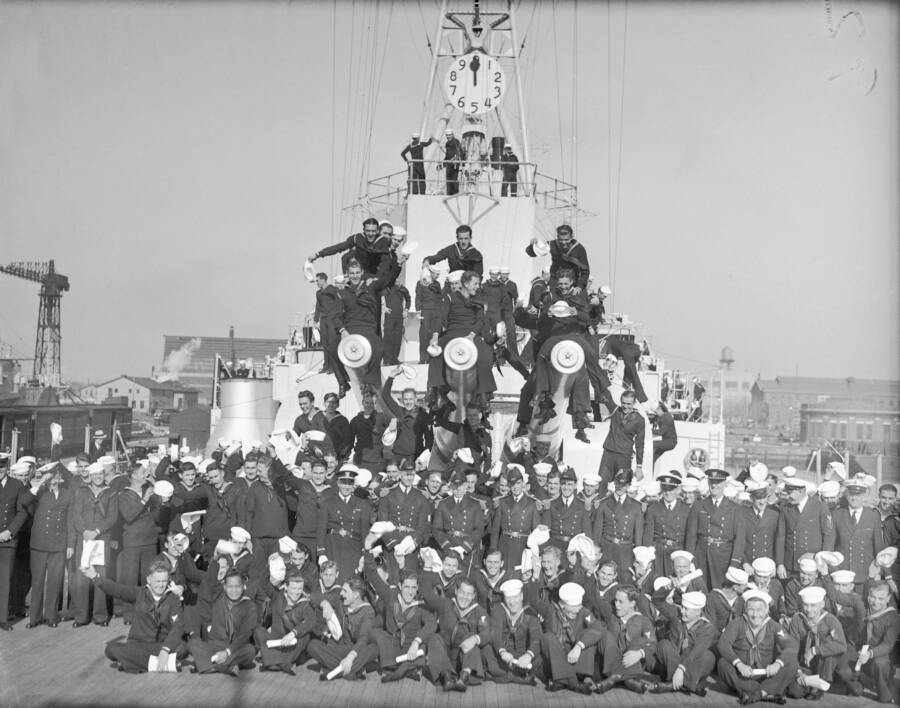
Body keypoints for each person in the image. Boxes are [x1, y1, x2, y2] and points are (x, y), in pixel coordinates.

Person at [81, 560, 186, 673]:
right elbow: (116, 589)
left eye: (164, 581)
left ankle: (131, 664)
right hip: (138, 645)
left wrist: (165, 650)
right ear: (149, 579)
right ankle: (160, 665)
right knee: (111, 650)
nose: (161, 585)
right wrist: (95, 576)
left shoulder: (173, 599)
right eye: (157, 581)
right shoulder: (139, 593)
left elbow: (178, 627)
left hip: (160, 645)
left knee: (183, 647)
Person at [717, 589, 800, 705]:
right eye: (751, 610)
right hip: (743, 675)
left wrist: (777, 664)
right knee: (722, 663)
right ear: (745, 609)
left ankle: (756, 694)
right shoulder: (737, 623)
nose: (755, 615)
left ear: (766, 610)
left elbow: (791, 646)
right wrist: (739, 664)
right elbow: (723, 644)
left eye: (759, 610)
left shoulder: (773, 626)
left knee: (792, 663)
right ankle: (768, 693)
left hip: (767, 675)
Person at [426, 271, 497, 405]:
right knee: (435, 352)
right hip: (452, 333)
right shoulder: (449, 297)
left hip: (471, 334)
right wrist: (435, 336)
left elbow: (481, 320)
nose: (477, 286)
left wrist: (471, 336)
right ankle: (435, 390)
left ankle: (483, 394)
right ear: (465, 284)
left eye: (478, 284)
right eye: (475, 284)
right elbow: (441, 316)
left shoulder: (479, 301)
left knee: (484, 354)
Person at [363, 557, 436, 683]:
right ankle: (406, 668)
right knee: (376, 633)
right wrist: (367, 551)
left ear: (417, 587)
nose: (410, 592)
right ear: (400, 585)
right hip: (392, 646)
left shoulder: (421, 604)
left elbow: (432, 623)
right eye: (407, 587)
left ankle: (399, 668)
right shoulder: (390, 595)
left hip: (411, 648)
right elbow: (373, 576)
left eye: (413, 587)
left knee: (423, 646)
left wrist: (417, 641)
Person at [336, 258, 403, 392]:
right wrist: (343, 331)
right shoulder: (342, 292)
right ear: (347, 274)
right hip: (351, 329)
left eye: (357, 272)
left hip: (368, 328)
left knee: (378, 348)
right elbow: (335, 315)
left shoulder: (370, 286)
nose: (354, 276)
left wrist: (398, 264)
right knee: (335, 347)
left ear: (361, 273)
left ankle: (370, 383)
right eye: (352, 273)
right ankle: (343, 382)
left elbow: (388, 280)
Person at [22, 465, 73, 628]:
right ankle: (34, 618)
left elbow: (70, 521)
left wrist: (70, 544)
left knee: (55, 581)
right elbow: (24, 502)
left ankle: (51, 616)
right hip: (39, 544)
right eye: (51, 475)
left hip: (58, 544)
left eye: (57, 474)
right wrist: (38, 484)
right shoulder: (39, 493)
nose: (54, 478)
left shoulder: (67, 494)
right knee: (37, 581)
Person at [834, 580, 899, 702]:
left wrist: (869, 654)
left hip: (876, 653)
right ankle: (858, 681)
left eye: (881, 598)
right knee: (844, 672)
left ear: (888, 598)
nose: (876, 602)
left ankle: (884, 687)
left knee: (881, 665)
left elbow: (887, 645)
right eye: (873, 597)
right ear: (868, 596)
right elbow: (838, 598)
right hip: (855, 648)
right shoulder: (861, 606)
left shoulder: (893, 617)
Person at [70, 461, 117, 627]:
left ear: (104, 475)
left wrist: (96, 532)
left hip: (101, 540)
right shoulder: (82, 492)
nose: (98, 477)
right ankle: (81, 617)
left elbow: (112, 517)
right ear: (90, 476)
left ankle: (100, 616)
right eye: (95, 475)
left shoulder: (111, 493)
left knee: (100, 577)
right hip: (84, 540)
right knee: (83, 577)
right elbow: (76, 515)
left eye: (101, 474)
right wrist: (84, 532)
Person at [186, 569, 258, 676]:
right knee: (192, 643)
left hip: (235, 648)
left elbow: (245, 635)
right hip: (216, 645)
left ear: (243, 587)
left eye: (237, 586)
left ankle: (207, 664)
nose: (234, 590)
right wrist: (215, 561)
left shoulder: (250, 606)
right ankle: (226, 666)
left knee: (250, 650)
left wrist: (227, 652)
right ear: (224, 587)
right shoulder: (217, 599)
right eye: (230, 587)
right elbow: (209, 581)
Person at [535, 581, 603, 694]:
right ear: (562, 604)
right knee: (547, 638)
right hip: (556, 661)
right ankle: (573, 683)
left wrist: (579, 646)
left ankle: (562, 681)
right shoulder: (550, 611)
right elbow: (533, 600)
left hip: (576, 660)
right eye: (573, 606)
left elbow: (598, 628)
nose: (577, 610)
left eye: (579, 606)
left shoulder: (583, 612)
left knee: (588, 635)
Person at [685, 468, 746, 590]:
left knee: (720, 591)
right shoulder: (698, 506)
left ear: (724, 484)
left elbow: (739, 539)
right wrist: (689, 559)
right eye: (712, 482)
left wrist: (734, 562)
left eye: (718, 482)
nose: (714, 485)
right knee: (700, 591)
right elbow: (691, 536)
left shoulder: (735, 508)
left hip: (723, 557)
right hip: (701, 556)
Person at [308, 576, 379, 681]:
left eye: (345, 591)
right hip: (340, 648)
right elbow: (313, 596)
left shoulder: (368, 612)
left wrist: (350, 657)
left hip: (357, 650)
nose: (341, 593)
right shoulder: (340, 600)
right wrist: (325, 603)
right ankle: (353, 670)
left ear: (355, 595)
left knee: (374, 649)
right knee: (312, 645)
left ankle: (335, 670)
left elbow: (363, 639)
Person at [592, 584, 658, 695]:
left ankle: (615, 678)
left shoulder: (643, 620)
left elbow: (653, 643)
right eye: (615, 601)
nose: (616, 605)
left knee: (639, 641)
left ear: (632, 604)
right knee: (606, 636)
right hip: (611, 660)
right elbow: (592, 596)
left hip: (631, 660)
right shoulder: (610, 616)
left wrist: (640, 654)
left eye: (621, 602)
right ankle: (627, 680)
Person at [648, 590, 716, 696]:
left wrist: (681, 668)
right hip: (671, 660)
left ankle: (672, 685)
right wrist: (669, 586)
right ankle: (691, 686)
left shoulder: (708, 628)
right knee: (664, 644)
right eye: (682, 607)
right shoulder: (676, 614)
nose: (682, 611)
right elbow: (656, 601)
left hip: (690, 664)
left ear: (697, 611)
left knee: (709, 656)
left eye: (686, 609)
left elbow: (696, 651)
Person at [786, 585, 847, 700]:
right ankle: (812, 682)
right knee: (795, 692)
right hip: (806, 663)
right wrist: (798, 671)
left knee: (829, 643)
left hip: (826, 663)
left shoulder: (830, 620)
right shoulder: (797, 619)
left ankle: (822, 683)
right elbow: (792, 647)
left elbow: (841, 645)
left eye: (813, 605)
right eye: (805, 605)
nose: (808, 609)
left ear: (822, 604)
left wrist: (814, 650)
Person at [316, 467, 372, 583]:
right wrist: (321, 552)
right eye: (343, 482)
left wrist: (364, 552)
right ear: (338, 483)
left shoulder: (362, 504)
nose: (346, 487)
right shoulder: (327, 503)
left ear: (353, 485)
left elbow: (365, 531)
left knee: (350, 581)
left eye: (350, 483)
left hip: (353, 548)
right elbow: (321, 528)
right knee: (333, 581)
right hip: (333, 545)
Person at [254, 570, 317, 674]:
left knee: (306, 636)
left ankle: (270, 660)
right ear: (286, 587)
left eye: (299, 589)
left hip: (291, 643)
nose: (296, 592)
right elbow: (263, 583)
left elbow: (311, 622)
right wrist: (271, 563)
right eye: (293, 588)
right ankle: (284, 663)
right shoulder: (277, 595)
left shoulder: (305, 604)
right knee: (258, 631)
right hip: (275, 639)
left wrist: (293, 633)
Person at [483, 578, 543, 684]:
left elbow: (536, 638)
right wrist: (502, 651)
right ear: (504, 599)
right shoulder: (498, 610)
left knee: (539, 656)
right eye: (508, 598)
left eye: (515, 597)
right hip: (505, 655)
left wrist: (528, 655)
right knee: (486, 649)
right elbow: (495, 633)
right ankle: (518, 678)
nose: (512, 602)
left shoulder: (530, 612)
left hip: (523, 655)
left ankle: (503, 675)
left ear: (521, 596)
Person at [775, 476, 835, 580]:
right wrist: (780, 563)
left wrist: (822, 559)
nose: (787, 497)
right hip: (791, 565)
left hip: (813, 564)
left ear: (801, 491)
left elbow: (829, 535)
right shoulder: (786, 508)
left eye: (790, 493)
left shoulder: (819, 507)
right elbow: (781, 537)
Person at [832, 476, 885, 589]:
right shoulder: (837, 515)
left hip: (865, 573)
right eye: (851, 494)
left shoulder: (873, 515)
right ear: (846, 496)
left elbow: (878, 546)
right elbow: (831, 544)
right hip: (842, 573)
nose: (854, 498)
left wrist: (879, 570)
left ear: (864, 496)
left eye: (858, 495)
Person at [593, 469, 644, 583]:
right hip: (607, 549)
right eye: (618, 484)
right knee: (605, 580)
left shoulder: (636, 507)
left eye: (624, 485)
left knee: (624, 581)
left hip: (625, 552)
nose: (620, 487)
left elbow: (638, 537)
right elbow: (597, 533)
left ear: (629, 486)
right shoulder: (604, 504)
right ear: (614, 483)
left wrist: (638, 559)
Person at [308, 217, 392, 278]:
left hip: (374, 274)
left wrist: (377, 278)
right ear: (364, 230)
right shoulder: (357, 238)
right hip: (359, 273)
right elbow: (338, 247)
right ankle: (347, 278)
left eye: (373, 231)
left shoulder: (382, 241)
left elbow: (385, 262)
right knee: (346, 257)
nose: (370, 234)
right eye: (368, 231)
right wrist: (318, 254)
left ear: (377, 231)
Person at [490, 466, 541, 567]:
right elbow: (495, 531)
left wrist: (535, 554)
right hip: (504, 545)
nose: (515, 487)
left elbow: (536, 533)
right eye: (512, 484)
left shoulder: (532, 503)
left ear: (523, 484)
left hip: (523, 546)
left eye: (518, 483)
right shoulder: (502, 502)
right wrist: (493, 551)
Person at [642, 471, 689, 577]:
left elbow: (689, 536)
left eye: (671, 490)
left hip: (677, 552)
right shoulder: (653, 509)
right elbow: (648, 536)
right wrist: (646, 557)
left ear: (677, 490)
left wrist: (687, 556)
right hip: (658, 553)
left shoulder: (686, 510)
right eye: (665, 490)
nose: (668, 493)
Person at [597, 391, 645, 493]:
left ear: (634, 403)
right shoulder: (615, 411)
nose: (625, 406)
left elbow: (640, 444)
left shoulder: (639, 420)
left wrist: (639, 466)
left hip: (624, 456)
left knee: (621, 486)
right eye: (623, 403)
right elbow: (605, 391)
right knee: (601, 484)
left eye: (629, 404)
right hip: (608, 454)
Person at [381, 370, 432, 463]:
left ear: (416, 399)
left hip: (416, 456)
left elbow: (429, 438)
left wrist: (423, 456)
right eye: (406, 399)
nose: (408, 402)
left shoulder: (423, 414)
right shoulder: (399, 411)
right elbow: (385, 395)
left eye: (411, 399)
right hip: (398, 456)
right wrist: (391, 376)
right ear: (402, 400)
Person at [526, 224, 590, 291]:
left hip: (573, 284)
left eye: (566, 240)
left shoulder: (579, 249)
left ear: (572, 237)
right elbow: (532, 253)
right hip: (556, 282)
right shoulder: (553, 244)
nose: (563, 242)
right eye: (561, 240)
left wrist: (579, 286)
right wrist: (532, 246)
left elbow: (585, 271)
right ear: (557, 237)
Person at [349, 390, 391, 475]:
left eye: (372, 403)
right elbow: (349, 441)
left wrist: (394, 422)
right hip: (360, 462)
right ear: (362, 402)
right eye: (367, 403)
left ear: (376, 404)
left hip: (377, 463)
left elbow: (398, 425)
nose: (369, 406)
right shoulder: (355, 420)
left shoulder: (382, 418)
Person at [742, 479, 780, 570]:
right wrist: (744, 563)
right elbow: (738, 542)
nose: (762, 502)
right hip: (749, 565)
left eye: (765, 497)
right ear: (751, 498)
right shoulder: (743, 514)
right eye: (758, 498)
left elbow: (778, 542)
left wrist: (776, 564)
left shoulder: (775, 514)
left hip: (768, 564)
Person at [314, 273, 343, 377]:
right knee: (325, 344)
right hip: (323, 319)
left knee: (332, 343)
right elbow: (318, 306)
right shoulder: (318, 293)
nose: (316, 283)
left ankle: (333, 367)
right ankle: (326, 366)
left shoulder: (332, 289)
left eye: (318, 280)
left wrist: (338, 316)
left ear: (323, 280)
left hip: (332, 319)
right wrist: (315, 320)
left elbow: (339, 303)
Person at [415, 266, 445, 364]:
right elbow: (418, 297)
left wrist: (441, 312)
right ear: (431, 273)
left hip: (436, 311)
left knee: (435, 334)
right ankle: (423, 358)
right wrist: (418, 311)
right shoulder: (421, 283)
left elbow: (440, 298)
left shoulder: (437, 284)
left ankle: (432, 357)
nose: (438, 276)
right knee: (424, 335)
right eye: (436, 274)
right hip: (425, 311)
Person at [381, 280, 410, 366]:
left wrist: (406, 310)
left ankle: (394, 359)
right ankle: (387, 360)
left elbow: (408, 299)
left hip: (399, 317)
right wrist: (383, 307)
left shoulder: (403, 289)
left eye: (398, 278)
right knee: (388, 339)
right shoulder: (386, 288)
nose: (397, 280)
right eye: (395, 278)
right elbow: (377, 298)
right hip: (389, 317)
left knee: (397, 339)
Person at [322, 393, 353, 461]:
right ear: (324, 403)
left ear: (338, 404)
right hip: (319, 456)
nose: (331, 405)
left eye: (334, 402)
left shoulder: (343, 421)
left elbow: (347, 441)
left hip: (335, 457)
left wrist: (341, 454)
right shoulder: (319, 418)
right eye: (328, 402)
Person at [442, 128, 463, 195]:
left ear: (452, 135)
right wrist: (443, 164)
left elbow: (460, 152)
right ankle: (449, 195)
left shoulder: (456, 142)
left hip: (454, 165)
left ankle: (455, 195)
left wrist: (456, 158)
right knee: (448, 182)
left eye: (449, 135)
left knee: (454, 181)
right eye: (447, 135)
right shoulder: (447, 143)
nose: (448, 137)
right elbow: (447, 155)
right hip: (448, 165)